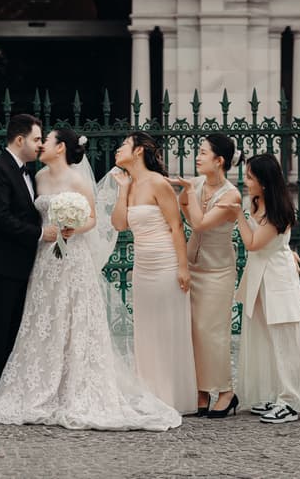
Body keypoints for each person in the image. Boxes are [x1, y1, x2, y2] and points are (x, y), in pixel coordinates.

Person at [0, 128, 181, 431]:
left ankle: (76, 385)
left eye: (45, 141)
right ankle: (44, 383)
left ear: (60, 147)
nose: (41, 146)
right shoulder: (37, 178)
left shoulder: (77, 180)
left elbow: (92, 219)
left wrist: (72, 227)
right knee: (45, 318)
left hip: (73, 259)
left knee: (75, 319)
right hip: (45, 258)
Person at [219, 153, 300, 424]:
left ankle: (290, 401)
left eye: (250, 177)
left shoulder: (277, 211)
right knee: (265, 338)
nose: (245, 182)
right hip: (260, 278)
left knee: (284, 339)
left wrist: (237, 217)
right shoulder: (257, 203)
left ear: (264, 182)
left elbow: (254, 243)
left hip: (277, 280)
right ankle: (275, 392)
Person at [0, 114, 58, 416]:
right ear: (19, 140)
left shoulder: (27, 172)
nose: (39, 145)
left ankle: (3, 392)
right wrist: (39, 233)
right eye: (36, 139)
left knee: (12, 332)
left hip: (21, 266)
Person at [111, 131, 197, 415]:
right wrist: (122, 190)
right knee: (145, 330)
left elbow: (176, 227)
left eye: (124, 144)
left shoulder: (158, 183)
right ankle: (148, 390)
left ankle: (172, 395)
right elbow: (120, 224)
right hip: (142, 267)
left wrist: (183, 267)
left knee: (167, 328)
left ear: (138, 151)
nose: (118, 148)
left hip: (165, 263)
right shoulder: (130, 184)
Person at [166, 134, 242, 418]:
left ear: (219, 161)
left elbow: (199, 224)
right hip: (193, 266)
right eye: (198, 152)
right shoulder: (197, 185)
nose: (197, 157)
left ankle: (225, 391)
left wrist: (187, 194)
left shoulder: (231, 195)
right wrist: (186, 195)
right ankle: (200, 390)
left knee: (213, 332)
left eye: (203, 153)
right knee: (193, 331)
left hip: (218, 270)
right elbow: (186, 216)